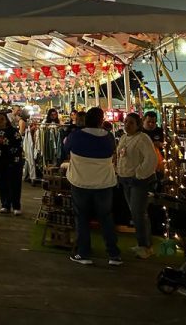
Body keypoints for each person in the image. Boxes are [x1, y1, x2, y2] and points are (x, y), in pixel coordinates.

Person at [65, 107, 121, 266]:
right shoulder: (108, 137)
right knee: (106, 218)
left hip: (80, 182)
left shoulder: (75, 136)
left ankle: (84, 253)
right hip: (104, 183)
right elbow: (112, 152)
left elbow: (65, 149)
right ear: (101, 120)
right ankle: (114, 254)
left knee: (82, 218)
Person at [116, 112, 158, 259]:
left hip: (138, 181)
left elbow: (151, 159)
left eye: (131, 122)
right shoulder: (124, 138)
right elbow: (121, 156)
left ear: (138, 125)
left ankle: (145, 245)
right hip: (125, 179)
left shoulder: (143, 138)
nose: (127, 125)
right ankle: (142, 244)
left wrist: (139, 174)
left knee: (138, 213)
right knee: (135, 212)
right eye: (126, 122)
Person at [0, 112, 24, 215]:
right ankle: (5, 205)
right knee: (1, 184)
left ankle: (16, 206)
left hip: (12, 163)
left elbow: (19, 145)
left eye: (2, 119)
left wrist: (12, 155)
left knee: (14, 184)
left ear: (6, 120)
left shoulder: (13, 132)